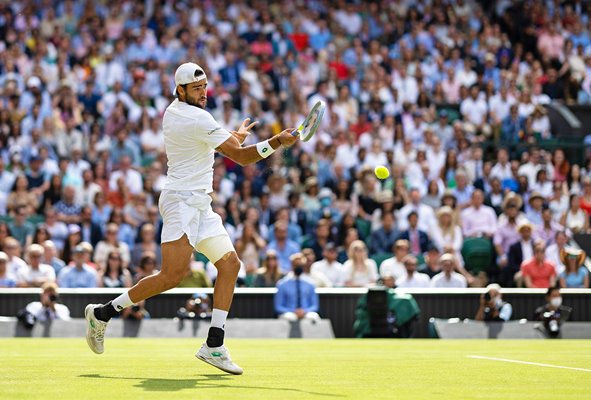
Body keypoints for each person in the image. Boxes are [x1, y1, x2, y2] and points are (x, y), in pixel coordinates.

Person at [85, 62, 297, 375]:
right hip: (181, 202)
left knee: (230, 265)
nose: (202, 92)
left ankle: (214, 343)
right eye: (195, 88)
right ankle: (102, 313)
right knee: (172, 276)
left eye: (204, 87)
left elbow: (223, 144)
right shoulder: (196, 117)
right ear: (180, 90)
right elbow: (240, 157)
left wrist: (231, 137)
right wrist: (277, 141)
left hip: (200, 203)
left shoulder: (176, 111)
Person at [274, 253, 320, 322]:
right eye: (296, 265)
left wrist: (304, 311)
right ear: (291, 265)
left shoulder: (310, 283)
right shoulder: (282, 284)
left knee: (313, 317)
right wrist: (293, 311)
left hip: (305, 312)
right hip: (289, 312)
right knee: (290, 317)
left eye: (300, 265)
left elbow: (315, 306)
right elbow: (278, 307)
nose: (298, 267)